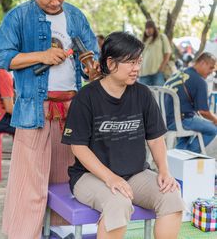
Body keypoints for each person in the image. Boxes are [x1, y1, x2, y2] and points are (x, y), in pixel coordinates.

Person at [0, 0, 99, 239]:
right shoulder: (18, 17)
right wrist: (41, 56)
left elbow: (92, 53)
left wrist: (93, 66)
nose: (55, 2)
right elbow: (2, 58)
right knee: (31, 180)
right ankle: (25, 234)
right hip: (33, 108)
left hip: (72, 108)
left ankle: (60, 231)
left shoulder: (75, 16)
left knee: (66, 175)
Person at [62, 31, 184, 239]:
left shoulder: (143, 94)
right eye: (131, 63)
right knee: (118, 203)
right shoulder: (86, 97)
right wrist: (110, 178)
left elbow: (155, 139)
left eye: (139, 62)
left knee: (171, 195)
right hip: (90, 177)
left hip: (135, 174)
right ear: (110, 63)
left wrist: (164, 170)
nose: (137, 68)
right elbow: (78, 147)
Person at [164, 52, 217, 153]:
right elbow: (203, 112)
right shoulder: (200, 81)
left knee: (189, 129)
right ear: (202, 63)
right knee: (213, 130)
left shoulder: (179, 72)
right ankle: (187, 156)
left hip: (162, 120)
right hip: (180, 120)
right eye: (210, 68)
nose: (212, 72)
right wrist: (215, 119)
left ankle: (178, 155)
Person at [139, 20, 171, 86]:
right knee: (142, 95)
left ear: (154, 28)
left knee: (158, 95)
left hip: (157, 74)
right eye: (146, 28)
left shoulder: (161, 37)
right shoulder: (143, 41)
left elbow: (167, 53)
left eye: (150, 28)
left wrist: (161, 68)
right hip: (143, 75)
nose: (148, 30)